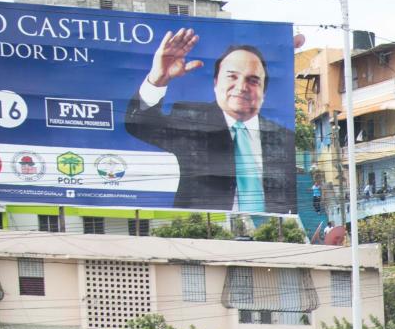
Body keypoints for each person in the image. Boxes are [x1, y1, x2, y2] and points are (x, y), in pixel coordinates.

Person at [124, 30, 295, 214]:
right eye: (232, 76)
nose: (241, 87)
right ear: (215, 83)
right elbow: (139, 124)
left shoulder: (283, 138)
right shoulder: (191, 119)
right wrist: (157, 79)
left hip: (272, 236)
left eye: (253, 81)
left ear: (264, 92)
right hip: (204, 234)